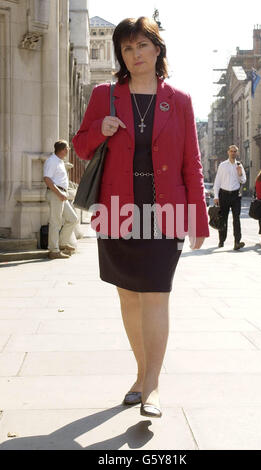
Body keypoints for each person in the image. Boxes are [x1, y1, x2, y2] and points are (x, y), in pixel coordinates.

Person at [72, 17, 209, 418]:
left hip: (166, 210)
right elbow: (81, 147)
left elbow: (193, 164)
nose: (135, 55)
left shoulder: (179, 100)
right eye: (127, 49)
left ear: (157, 49)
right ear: (121, 54)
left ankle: (152, 387)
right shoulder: (105, 95)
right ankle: (141, 372)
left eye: (142, 46)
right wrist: (100, 128)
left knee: (156, 295)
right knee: (128, 296)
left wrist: (199, 218)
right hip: (117, 209)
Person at [43, 140, 78, 259]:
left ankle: (62, 244)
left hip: (61, 194)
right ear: (63, 149)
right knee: (55, 222)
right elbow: (47, 179)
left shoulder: (60, 161)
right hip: (56, 194)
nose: (69, 150)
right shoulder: (52, 161)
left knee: (73, 219)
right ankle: (54, 250)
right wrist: (58, 193)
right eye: (67, 148)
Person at [213, 145, 246, 250]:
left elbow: (243, 180)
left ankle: (237, 242)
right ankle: (221, 240)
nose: (233, 153)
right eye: (231, 151)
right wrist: (216, 196)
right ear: (228, 152)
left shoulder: (239, 165)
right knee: (223, 218)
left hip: (236, 195)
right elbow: (217, 181)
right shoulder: (222, 165)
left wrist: (240, 173)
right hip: (224, 195)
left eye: (235, 151)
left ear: (237, 153)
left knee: (237, 218)